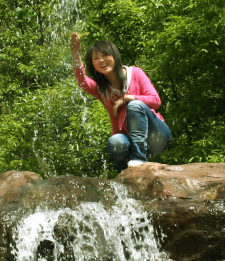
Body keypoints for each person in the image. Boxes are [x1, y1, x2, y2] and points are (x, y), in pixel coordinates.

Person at [71, 33, 171, 171]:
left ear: (114, 55)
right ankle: (123, 176)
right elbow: (82, 81)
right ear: (93, 65)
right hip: (129, 140)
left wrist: (127, 98)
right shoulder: (101, 89)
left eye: (105, 55)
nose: (101, 60)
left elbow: (155, 101)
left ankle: (139, 158)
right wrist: (76, 54)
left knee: (135, 105)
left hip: (157, 134)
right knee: (115, 141)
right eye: (96, 58)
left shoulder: (135, 73)